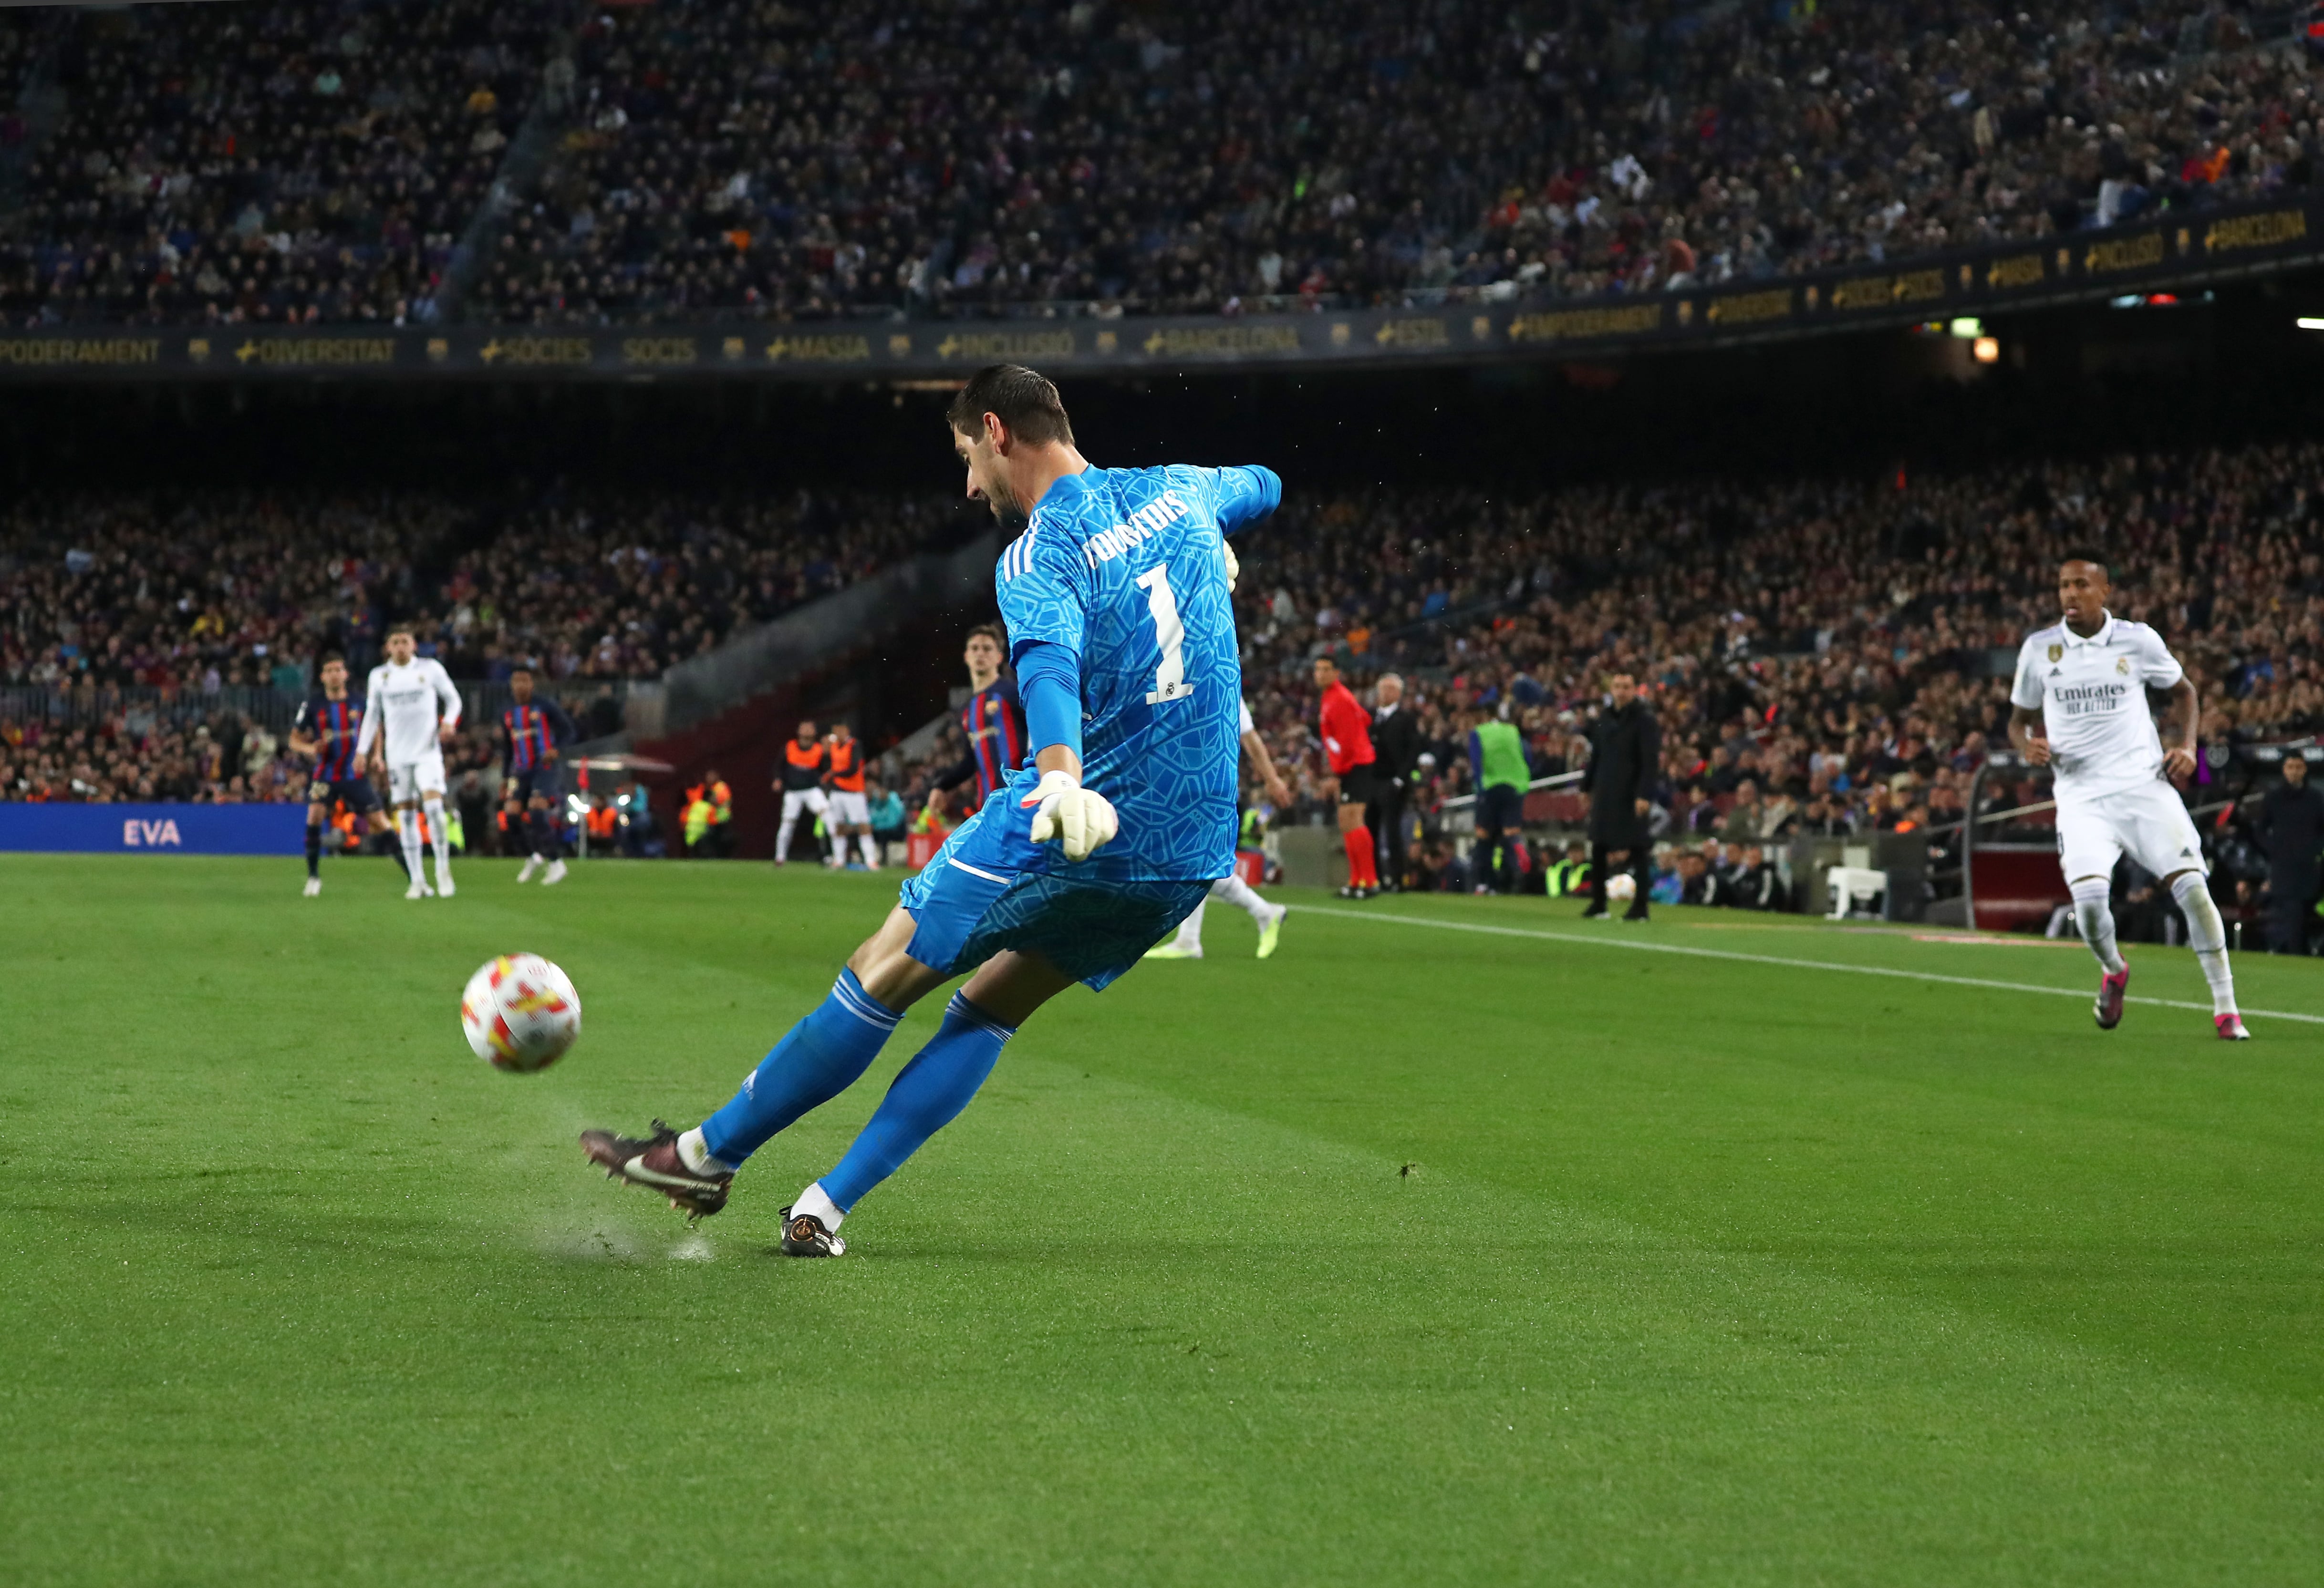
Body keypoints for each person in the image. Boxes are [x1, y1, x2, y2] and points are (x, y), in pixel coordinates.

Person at [581, 362, 1280, 1254]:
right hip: (1186, 852)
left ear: (996, 432)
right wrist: (1223, 540)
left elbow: (1047, 669)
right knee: (991, 1008)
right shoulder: (1182, 490)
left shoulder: (1042, 549)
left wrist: (1061, 776)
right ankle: (822, 1208)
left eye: (964, 455)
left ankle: (704, 1155)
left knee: (885, 964)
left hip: (1070, 820)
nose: (967, 483)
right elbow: (1266, 483)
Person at [2009, 551, 2247, 1037]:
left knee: (2195, 891)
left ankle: (2227, 1010)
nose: (2070, 594)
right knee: (2092, 905)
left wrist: (2187, 746)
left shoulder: (2138, 641)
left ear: (2104, 592)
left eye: (2080, 585)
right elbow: (2017, 721)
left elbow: (2184, 692)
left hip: (2144, 786)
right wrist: (2025, 746)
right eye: (2063, 586)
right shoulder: (2039, 650)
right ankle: (2115, 970)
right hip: (2080, 796)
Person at [1144, 696, 1293, 960]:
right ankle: (1264, 912)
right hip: (1179, 782)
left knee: (1192, 861)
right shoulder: (1174, 675)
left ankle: (1190, 940)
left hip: (1206, 784)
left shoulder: (1221, 679)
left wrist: (1271, 779)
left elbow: (1250, 738)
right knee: (1195, 864)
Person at [354, 624, 462, 900]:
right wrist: (362, 751)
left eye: (405, 641)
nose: (400, 646)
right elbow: (372, 716)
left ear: (414, 645)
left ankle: (442, 868)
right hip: (398, 757)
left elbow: (453, 700)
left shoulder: (430, 669)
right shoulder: (379, 676)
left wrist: (449, 722)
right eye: (395, 642)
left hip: (427, 753)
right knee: (407, 816)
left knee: (435, 809)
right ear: (388, 648)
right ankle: (416, 880)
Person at [287, 652, 395, 896]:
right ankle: (313, 877)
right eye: (329, 670)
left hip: (354, 774)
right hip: (324, 773)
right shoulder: (313, 705)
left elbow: (376, 728)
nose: (335, 674)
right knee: (314, 815)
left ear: (345, 674)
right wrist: (309, 748)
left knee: (379, 821)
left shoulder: (360, 702)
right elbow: (294, 740)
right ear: (323, 677)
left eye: (339, 669)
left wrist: (377, 756)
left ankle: (413, 877)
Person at [925, 624, 1029, 816]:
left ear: (999, 657)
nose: (980, 653)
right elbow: (970, 762)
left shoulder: (1012, 693)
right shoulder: (967, 710)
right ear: (966, 657)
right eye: (974, 648)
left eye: (987, 648)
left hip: (1021, 802)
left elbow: (1037, 736)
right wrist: (941, 786)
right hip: (988, 809)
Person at [1580, 671, 1657, 920]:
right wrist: (1586, 786)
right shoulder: (1605, 717)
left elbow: (1649, 761)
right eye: (1617, 686)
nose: (1621, 691)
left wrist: (1644, 794)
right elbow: (1597, 755)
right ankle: (1599, 903)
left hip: (1630, 792)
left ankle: (1641, 907)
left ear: (1635, 689)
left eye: (1626, 686)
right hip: (1606, 790)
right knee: (1599, 846)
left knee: (1638, 848)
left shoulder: (1644, 719)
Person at [503, 665, 577, 886]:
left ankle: (556, 863)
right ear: (512, 685)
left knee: (537, 810)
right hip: (521, 770)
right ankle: (532, 857)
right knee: (511, 816)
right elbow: (508, 746)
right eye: (517, 681)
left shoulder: (545, 705)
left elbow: (569, 730)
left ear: (532, 684)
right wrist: (505, 777)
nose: (521, 685)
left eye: (525, 681)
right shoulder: (507, 711)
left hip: (544, 767)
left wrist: (556, 750)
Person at [1315, 656, 1381, 898]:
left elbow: (1346, 739)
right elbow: (1364, 718)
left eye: (1325, 670)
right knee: (1347, 821)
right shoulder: (1334, 697)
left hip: (1356, 765)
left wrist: (1338, 772)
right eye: (1317, 670)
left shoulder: (1339, 699)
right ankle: (1356, 881)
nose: (1320, 674)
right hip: (1353, 764)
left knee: (1354, 819)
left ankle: (1370, 881)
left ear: (1337, 672)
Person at [2257, 752, 2324, 955]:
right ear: (2284, 770)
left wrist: (2315, 849)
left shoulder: (2316, 798)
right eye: (2290, 767)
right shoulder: (2273, 798)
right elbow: (2260, 829)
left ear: (2304, 770)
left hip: (2310, 869)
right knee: (2292, 914)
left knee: (2303, 914)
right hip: (2285, 869)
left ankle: (2300, 953)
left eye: (2298, 767)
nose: (2294, 772)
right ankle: (2296, 955)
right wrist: (2274, 850)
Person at [1369, 672, 1422, 888]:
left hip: (1393, 781)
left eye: (1390, 689)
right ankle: (1375, 877)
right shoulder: (1370, 717)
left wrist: (1401, 778)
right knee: (1370, 831)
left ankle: (1397, 879)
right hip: (1372, 780)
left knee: (1392, 831)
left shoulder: (1406, 718)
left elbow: (1413, 750)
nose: (1385, 693)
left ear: (1399, 694)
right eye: (1382, 688)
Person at [1468, 704, 1529, 895]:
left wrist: (1480, 790)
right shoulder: (1513, 731)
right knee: (1510, 834)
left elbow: (1477, 763)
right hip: (1515, 787)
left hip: (1490, 787)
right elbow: (1527, 755)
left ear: (1483, 715)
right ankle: (1516, 880)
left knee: (1484, 838)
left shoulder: (1479, 733)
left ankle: (1484, 883)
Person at [773, 720, 830, 865]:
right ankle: (780, 858)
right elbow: (779, 766)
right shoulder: (790, 747)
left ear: (815, 732)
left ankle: (833, 856)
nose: (806, 731)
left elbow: (826, 769)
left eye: (809, 729)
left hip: (812, 790)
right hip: (793, 791)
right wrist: (777, 779)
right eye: (803, 728)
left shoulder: (819, 749)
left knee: (829, 819)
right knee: (787, 824)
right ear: (798, 731)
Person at [823, 723, 876, 870]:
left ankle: (871, 860)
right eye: (835, 731)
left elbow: (853, 768)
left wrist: (834, 774)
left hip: (854, 792)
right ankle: (839, 860)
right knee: (838, 826)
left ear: (847, 731)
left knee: (863, 826)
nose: (837, 733)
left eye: (840, 730)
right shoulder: (834, 747)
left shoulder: (855, 745)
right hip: (837, 792)